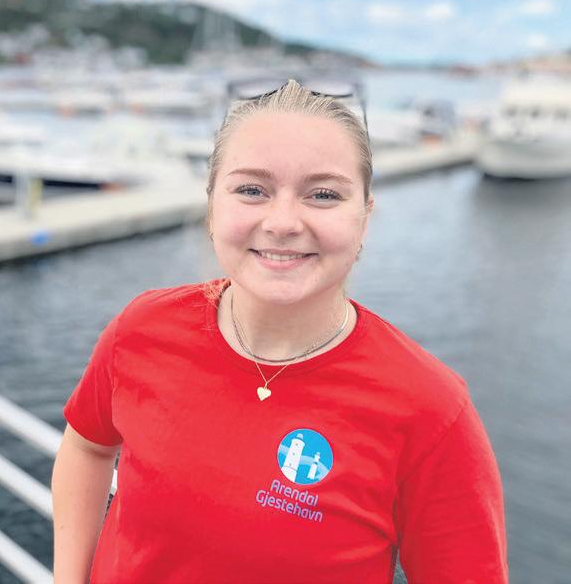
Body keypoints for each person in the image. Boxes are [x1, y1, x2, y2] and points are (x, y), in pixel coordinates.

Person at [51, 80, 507, 584]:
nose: (284, 222)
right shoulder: (142, 329)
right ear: (212, 205)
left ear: (364, 219)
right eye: (252, 190)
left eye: (323, 194)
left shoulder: (430, 409)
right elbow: (87, 446)